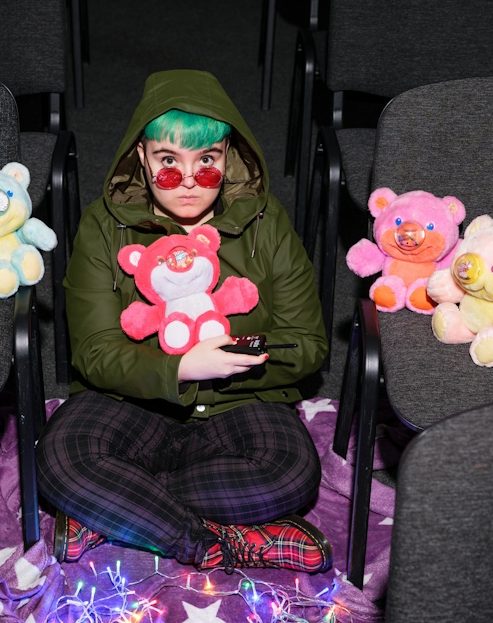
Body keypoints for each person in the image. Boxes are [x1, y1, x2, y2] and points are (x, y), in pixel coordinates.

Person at [37, 69, 331, 572]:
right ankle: (213, 540)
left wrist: (225, 361)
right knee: (61, 463)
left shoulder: (267, 221)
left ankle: (113, 509)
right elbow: (94, 350)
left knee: (289, 477)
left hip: (242, 400)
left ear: (227, 160)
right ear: (142, 159)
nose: (189, 180)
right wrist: (180, 368)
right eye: (169, 162)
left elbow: (307, 345)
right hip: (129, 399)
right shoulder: (103, 225)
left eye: (207, 162)